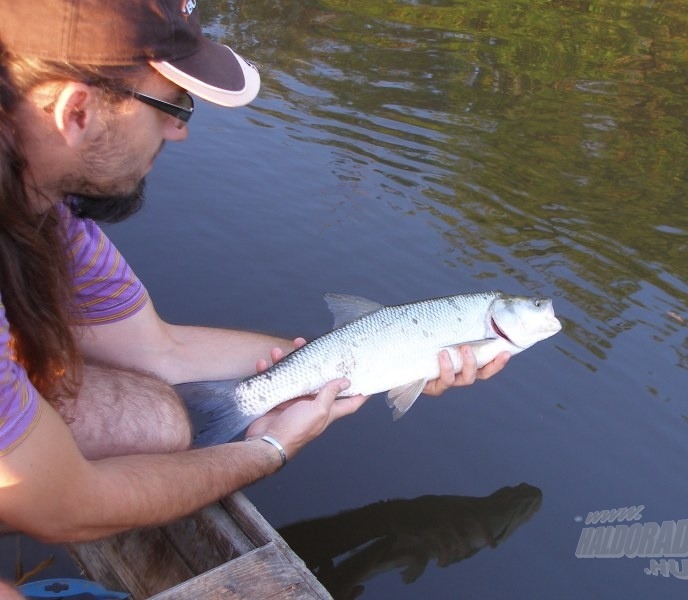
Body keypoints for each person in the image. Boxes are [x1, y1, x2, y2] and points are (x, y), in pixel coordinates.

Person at [0, 0, 510, 554]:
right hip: (55, 497)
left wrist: (379, 354)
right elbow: (67, 506)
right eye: (175, 105)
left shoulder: (48, 212)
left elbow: (161, 350)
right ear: (77, 113)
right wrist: (267, 450)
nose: (178, 132)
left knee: (154, 423)